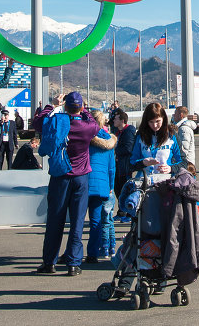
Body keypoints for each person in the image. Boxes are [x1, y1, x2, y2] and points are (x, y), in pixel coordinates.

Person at [33, 92, 114, 275]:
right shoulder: (87, 127)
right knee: (77, 221)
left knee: (55, 220)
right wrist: (83, 110)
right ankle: (73, 263)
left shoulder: (57, 122)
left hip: (60, 176)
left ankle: (49, 263)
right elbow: (94, 122)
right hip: (81, 177)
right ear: (80, 107)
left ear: (66, 106)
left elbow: (38, 122)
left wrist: (52, 106)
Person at [86, 110, 117, 263]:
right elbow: (112, 168)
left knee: (77, 221)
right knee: (96, 221)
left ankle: (73, 252)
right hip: (102, 186)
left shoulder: (86, 138)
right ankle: (93, 253)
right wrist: (110, 186)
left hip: (85, 182)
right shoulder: (109, 143)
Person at [129, 102, 183, 184]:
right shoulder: (140, 136)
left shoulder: (171, 135)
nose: (154, 125)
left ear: (163, 118)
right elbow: (131, 163)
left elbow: (183, 162)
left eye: (158, 121)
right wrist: (143, 163)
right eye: (151, 122)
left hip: (166, 183)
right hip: (144, 182)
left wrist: (171, 168)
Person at [111, 109, 137, 196]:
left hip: (125, 166)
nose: (114, 120)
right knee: (117, 188)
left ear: (122, 121)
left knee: (124, 189)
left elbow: (128, 148)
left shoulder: (128, 131)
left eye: (116, 119)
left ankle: (124, 208)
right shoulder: (118, 132)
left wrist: (115, 151)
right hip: (119, 164)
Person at [173, 105, 196, 171]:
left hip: (186, 163)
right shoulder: (181, 127)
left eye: (175, 113)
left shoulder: (184, 129)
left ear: (181, 115)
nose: (174, 115)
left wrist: (177, 161)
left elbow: (184, 148)